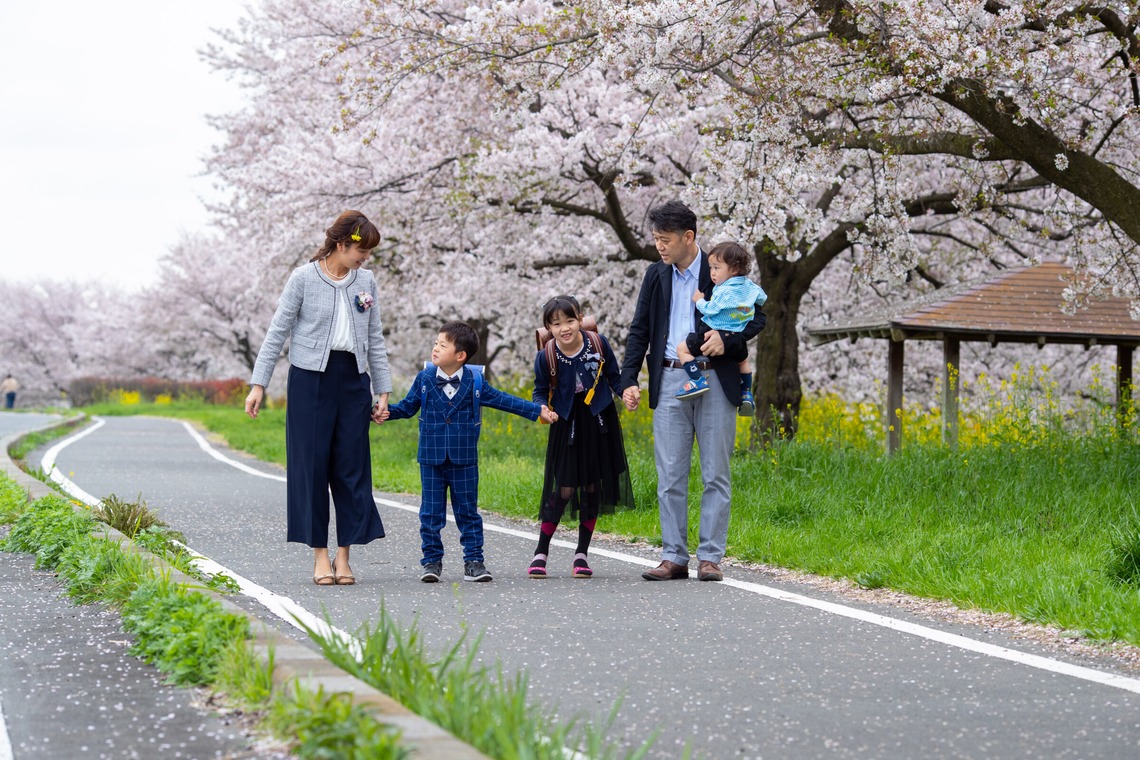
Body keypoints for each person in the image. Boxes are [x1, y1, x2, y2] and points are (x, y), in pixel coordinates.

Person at [620, 201, 766, 583]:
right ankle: (673, 556)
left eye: (665, 240)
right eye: (655, 240)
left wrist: (728, 339)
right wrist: (628, 378)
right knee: (670, 473)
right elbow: (639, 330)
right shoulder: (656, 275)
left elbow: (756, 316)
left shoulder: (721, 269)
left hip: (715, 378)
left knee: (715, 471)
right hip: (669, 377)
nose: (660, 247)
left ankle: (710, 557)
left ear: (689, 237)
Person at [245, 210, 391, 587]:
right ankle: (320, 557)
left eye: (370, 253)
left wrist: (382, 391)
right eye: (362, 250)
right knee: (312, 467)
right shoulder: (304, 278)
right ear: (342, 244)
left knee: (351, 469)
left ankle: (345, 556)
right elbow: (278, 332)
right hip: (310, 381)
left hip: (354, 381)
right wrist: (258, 383)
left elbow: (375, 338)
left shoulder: (367, 282)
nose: (366, 258)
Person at [382, 321, 556, 583]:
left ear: (460, 355)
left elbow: (503, 400)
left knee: (468, 512)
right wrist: (383, 412)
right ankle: (431, 561)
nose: (435, 348)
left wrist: (537, 411)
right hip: (431, 457)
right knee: (430, 512)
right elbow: (407, 408)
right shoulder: (425, 379)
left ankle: (474, 561)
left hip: (464, 459)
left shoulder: (475, 382)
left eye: (443, 344)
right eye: (435, 343)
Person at [528, 296, 635, 579]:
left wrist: (626, 392)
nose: (565, 328)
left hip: (599, 419)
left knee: (591, 487)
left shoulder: (598, 344)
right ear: (548, 328)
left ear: (580, 318)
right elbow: (540, 390)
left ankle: (582, 554)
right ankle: (541, 551)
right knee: (563, 487)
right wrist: (541, 408)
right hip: (566, 423)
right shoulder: (546, 356)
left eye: (570, 320)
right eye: (556, 324)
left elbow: (614, 376)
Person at [673, 242, 767, 416]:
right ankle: (747, 392)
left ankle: (697, 380)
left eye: (717, 268)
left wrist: (699, 300)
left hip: (709, 335)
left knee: (682, 349)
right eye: (711, 268)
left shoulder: (724, 291)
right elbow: (761, 299)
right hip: (736, 338)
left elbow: (711, 309)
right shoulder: (748, 287)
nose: (712, 273)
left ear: (734, 269)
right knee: (744, 362)